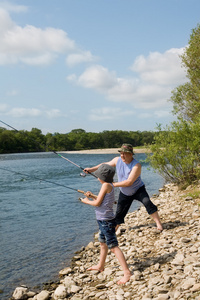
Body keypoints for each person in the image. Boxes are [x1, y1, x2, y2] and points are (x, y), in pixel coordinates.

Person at [84, 143, 163, 232]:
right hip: (124, 192)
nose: (122, 155)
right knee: (119, 213)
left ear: (130, 154)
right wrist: (92, 169)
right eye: (121, 153)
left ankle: (158, 223)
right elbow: (104, 165)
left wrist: (112, 184)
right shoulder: (117, 160)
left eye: (124, 153)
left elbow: (129, 182)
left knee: (147, 202)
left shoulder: (136, 165)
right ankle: (114, 230)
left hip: (138, 190)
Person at [80, 164, 132, 284]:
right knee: (103, 244)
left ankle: (127, 272)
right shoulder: (109, 185)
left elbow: (98, 203)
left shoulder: (105, 185)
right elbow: (102, 200)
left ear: (101, 177)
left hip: (106, 221)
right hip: (103, 220)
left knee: (113, 247)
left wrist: (86, 201)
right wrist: (92, 196)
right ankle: (100, 266)